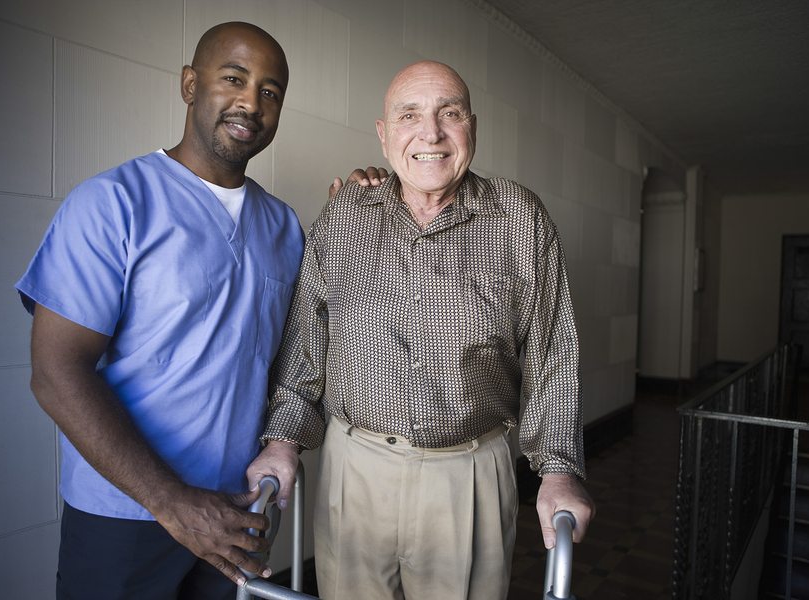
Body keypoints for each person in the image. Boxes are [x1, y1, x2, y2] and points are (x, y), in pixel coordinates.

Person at [248, 60, 595, 599]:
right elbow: (304, 353)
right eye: (409, 116)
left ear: (472, 128)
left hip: (469, 474)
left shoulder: (520, 219)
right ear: (385, 137)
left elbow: (553, 355)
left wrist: (558, 468)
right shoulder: (343, 218)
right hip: (353, 470)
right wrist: (281, 441)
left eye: (449, 114)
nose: (430, 133)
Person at [15, 22, 304, 600]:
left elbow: (294, 357)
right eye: (233, 78)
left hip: (238, 514)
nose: (251, 101)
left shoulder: (285, 227)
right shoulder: (112, 204)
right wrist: (174, 504)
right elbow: (55, 374)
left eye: (270, 92)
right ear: (190, 85)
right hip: (125, 517)